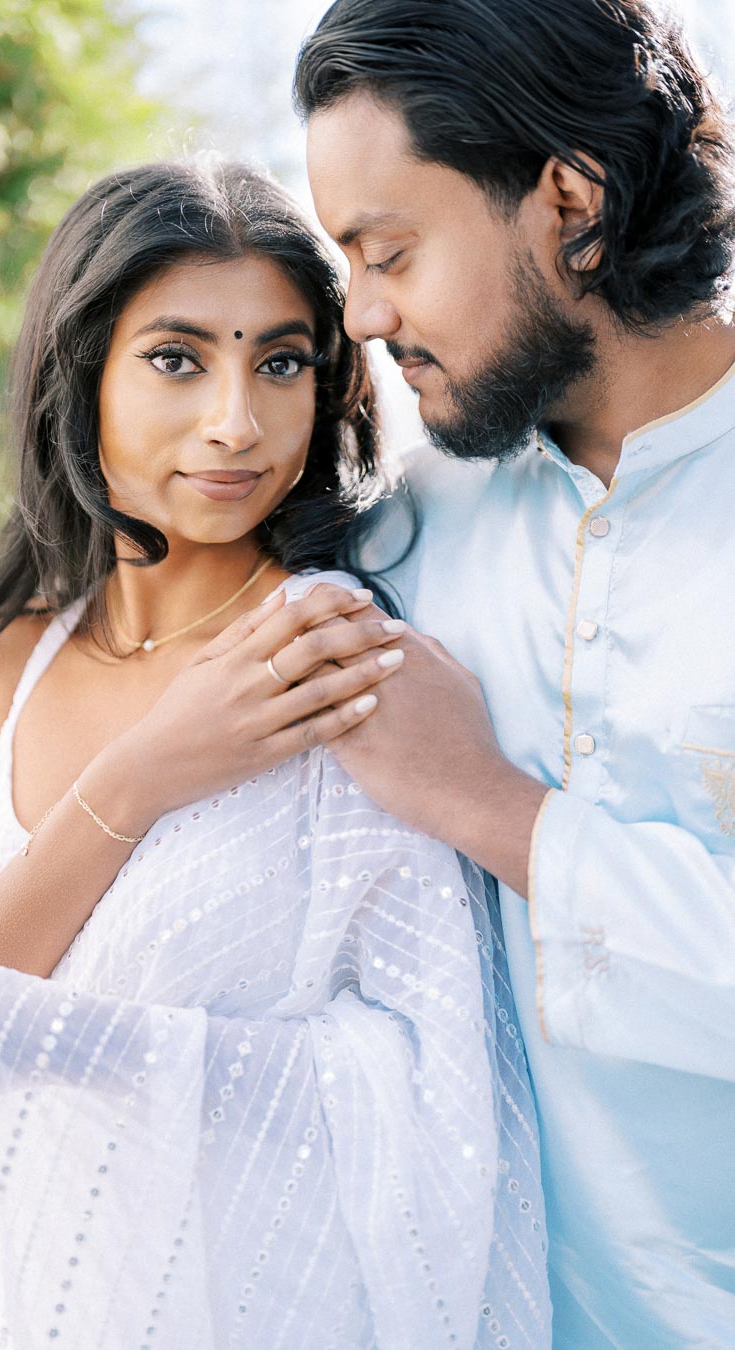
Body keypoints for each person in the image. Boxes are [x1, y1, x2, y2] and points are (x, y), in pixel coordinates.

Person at [0, 160, 550, 1348]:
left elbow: (437, 1087)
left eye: (281, 362)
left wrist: (41, 1032)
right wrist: (144, 773)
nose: (237, 421)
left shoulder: (339, 663)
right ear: (84, 375)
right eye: (177, 359)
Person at [286, 0, 735, 1345]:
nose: (363, 314)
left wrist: (488, 800)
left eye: (393, 251)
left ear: (569, 201)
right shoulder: (405, 536)